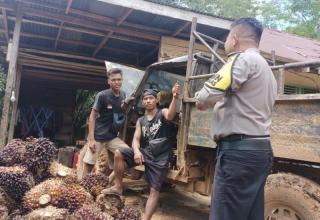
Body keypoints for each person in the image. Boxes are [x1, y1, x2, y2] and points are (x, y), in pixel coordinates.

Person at [195, 17, 277, 220]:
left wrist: (200, 100)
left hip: (238, 154)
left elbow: (206, 95)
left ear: (235, 39)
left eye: (227, 38)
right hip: (260, 151)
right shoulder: (268, 70)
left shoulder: (241, 60)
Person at [102, 83, 180, 220]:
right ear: (143, 102)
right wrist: (137, 151)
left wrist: (175, 96)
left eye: (151, 98)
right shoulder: (140, 121)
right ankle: (118, 186)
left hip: (160, 157)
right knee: (119, 152)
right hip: (145, 152)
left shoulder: (162, 113)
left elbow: (171, 115)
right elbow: (136, 139)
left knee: (154, 191)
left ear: (156, 100)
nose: (148, 100)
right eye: (146, 99)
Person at [82, 67, 129, 179]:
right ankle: (82, 188)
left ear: (122, 80)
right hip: (98, 136)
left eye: (119, 79)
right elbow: (92, 116)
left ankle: (109, 180)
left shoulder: (123, 95)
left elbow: (121, 111)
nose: (117, 82)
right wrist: (91, 138)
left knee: (128, 155)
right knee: (89, 164)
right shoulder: (102, 95)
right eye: (113, 80)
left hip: (112, 137)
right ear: (108, 81)